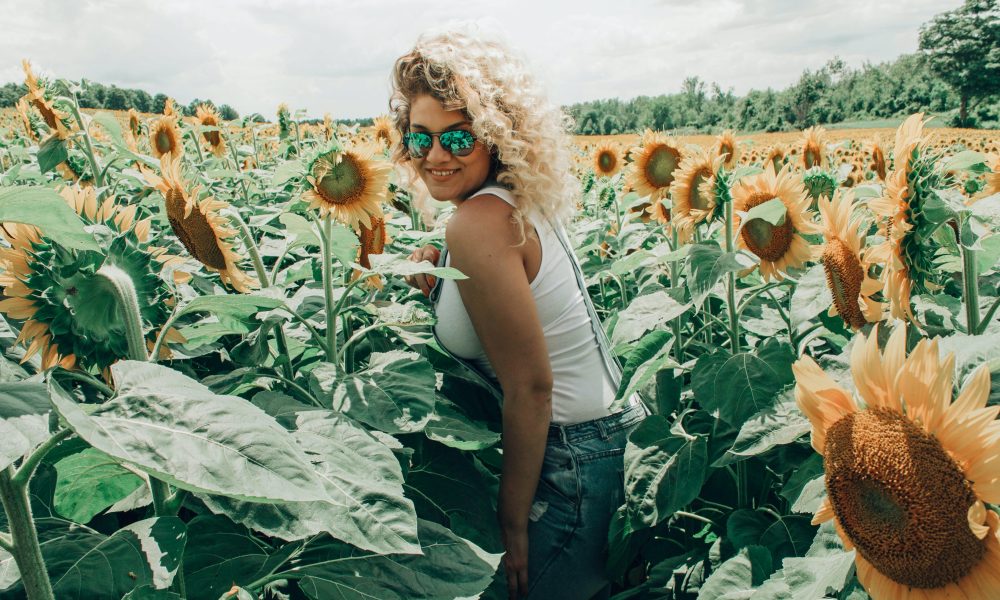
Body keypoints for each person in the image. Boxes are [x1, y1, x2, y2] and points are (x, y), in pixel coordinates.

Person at [391, 25, 649, 600]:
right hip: (605, 444)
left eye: (459, 139)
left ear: (495, 136)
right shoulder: (509, 202)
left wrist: (510, 523)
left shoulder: (479, 222)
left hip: (570, 462)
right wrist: (438, 271)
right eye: (420, 138)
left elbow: (531, 386)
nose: (436, 155)